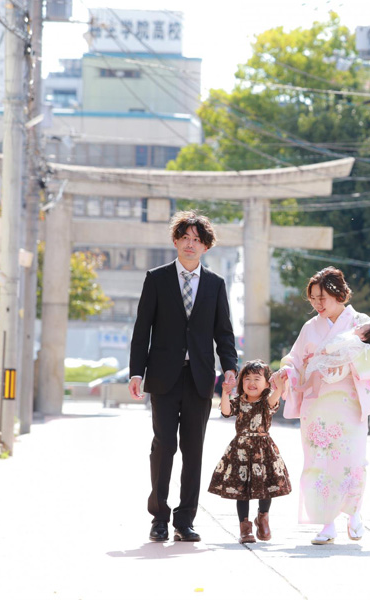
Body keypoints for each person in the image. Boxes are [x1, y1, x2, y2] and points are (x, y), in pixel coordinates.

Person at [129, 210, 238, 543]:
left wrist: (230, 366)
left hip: (200, 378)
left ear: (206, 247)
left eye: (197, 240)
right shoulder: (157, 279)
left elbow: (224, 331)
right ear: (175, 241)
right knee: (164, 445)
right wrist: (136, 371)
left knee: (194, 449)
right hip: (163, 377)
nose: (190, 245)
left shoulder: (216, 284)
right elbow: (142, 328)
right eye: (185, 238)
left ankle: (185, 520)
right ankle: (159, 517)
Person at [271, 266, 370, 545]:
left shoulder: (361, 322)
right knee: (318, 463)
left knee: (353, 461)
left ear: (339, 294)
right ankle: (326, 523)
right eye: (312, 298)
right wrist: (286, 371)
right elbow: (296, 358)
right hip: (318, 407)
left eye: (322, 297)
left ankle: (355, 513)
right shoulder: (311, 328)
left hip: (349, 404)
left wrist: (349, 358)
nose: (317, 304)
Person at [207, 360, 292, 544]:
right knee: (241, 490)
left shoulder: (265, 401)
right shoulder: (239, 401)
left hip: (263, 450)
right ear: (241, 383)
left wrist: (280, 386)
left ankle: (263, 517)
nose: (251, 383)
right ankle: (245, 528)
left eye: (257, 378)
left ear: (267, 383)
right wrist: (225, 392)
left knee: (266, 487)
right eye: (247, 379)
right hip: (240, 451)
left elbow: (274, 399)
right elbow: (226, 411)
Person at [304, 320, 370, 385]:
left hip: (335, 367)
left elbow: (337, 344)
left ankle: (310, 390)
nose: (358, 325)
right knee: (317, 374)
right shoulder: (361, 347)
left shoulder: (353, 339)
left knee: (316, 372)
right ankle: (309, 388)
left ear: (363, 338)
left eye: (360, 327)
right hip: (342, 373)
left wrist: (327, 349)